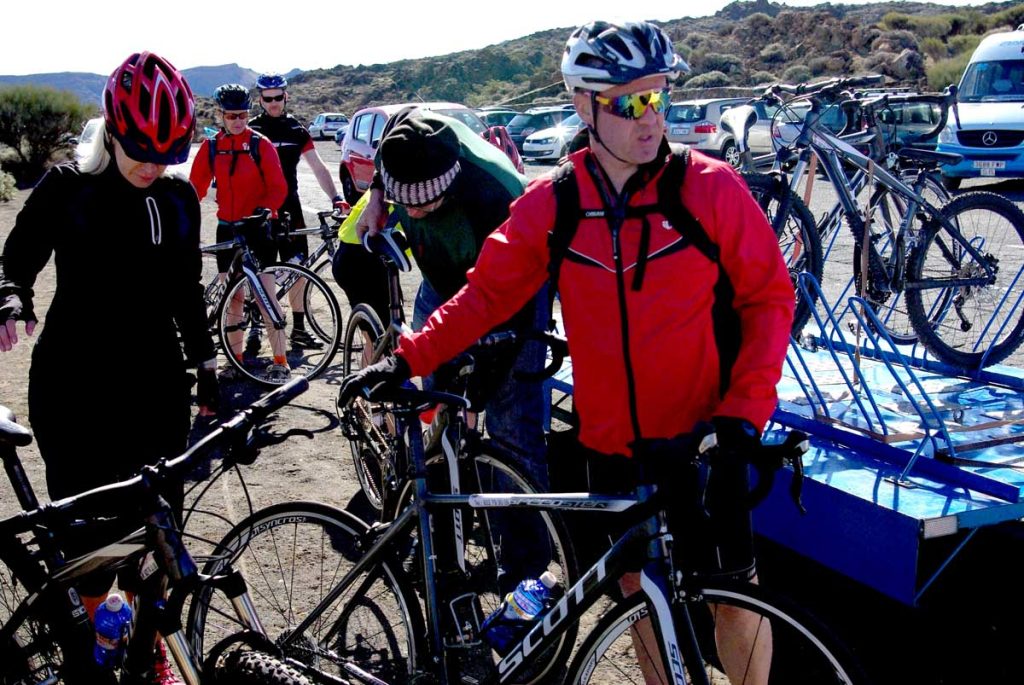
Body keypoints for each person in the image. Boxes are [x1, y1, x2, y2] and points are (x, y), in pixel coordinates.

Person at [340, 20, 794, 685]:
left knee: (731, 592)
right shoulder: (555, 203)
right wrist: (406, 357)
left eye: (659, 95)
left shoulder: (711, 189)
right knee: (638, 595)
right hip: (612, 443)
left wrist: (744, 416)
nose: (651, 117)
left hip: (705, 436)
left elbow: (769, 299)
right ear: (584, 103)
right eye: (630, 101)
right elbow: (483, 295)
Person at [0, 51, 217, 685]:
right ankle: (100, 633)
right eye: (140, 151)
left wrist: (205, 364)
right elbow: (14, 259)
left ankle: (147, 646)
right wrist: (13, 298)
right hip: (76, 386)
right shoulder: (69, 189)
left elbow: (184, 291)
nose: (153, 165)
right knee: (92, 533)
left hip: (155, 384)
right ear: (112, 132)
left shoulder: (178, 199)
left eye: (167, 152)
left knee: (156, 528)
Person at [337, 107, 549, 484]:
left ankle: (521, 537)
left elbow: (505, 303)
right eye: (407, 205)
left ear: (449, 184)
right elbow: (391, 139)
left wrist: (481, 386)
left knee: (511, 425)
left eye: (425, 204)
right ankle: (444, 488)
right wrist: (376, 197)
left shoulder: (498, 195)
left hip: (513, 289)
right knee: (439, 399)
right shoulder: (403, 142)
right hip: (440, 278)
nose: (414, 213)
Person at [188, 83, 290, 381]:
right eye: (231, 116)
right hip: (226, 229)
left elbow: (278, 186)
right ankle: (236, 360)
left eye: (243, 115)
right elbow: (194, 188)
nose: (238, 121)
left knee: (265, 297)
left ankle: (280, 361)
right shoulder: (211, 148)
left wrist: (266, 208)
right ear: (220, 115)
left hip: (257, 229)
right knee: (233, 299)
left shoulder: (261, 144)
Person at [249, 73, 347, 350]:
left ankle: (300, 329)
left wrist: (336, 196)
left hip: (291, 207)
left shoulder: (296, 130)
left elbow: (318, 167)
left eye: (278, 98)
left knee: (298, 267)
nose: (273, 103)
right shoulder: (252, 129)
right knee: (261, 269)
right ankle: (256, 325)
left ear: (285, 96)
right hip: (261, 210)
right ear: (260, 99)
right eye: (267, 99)